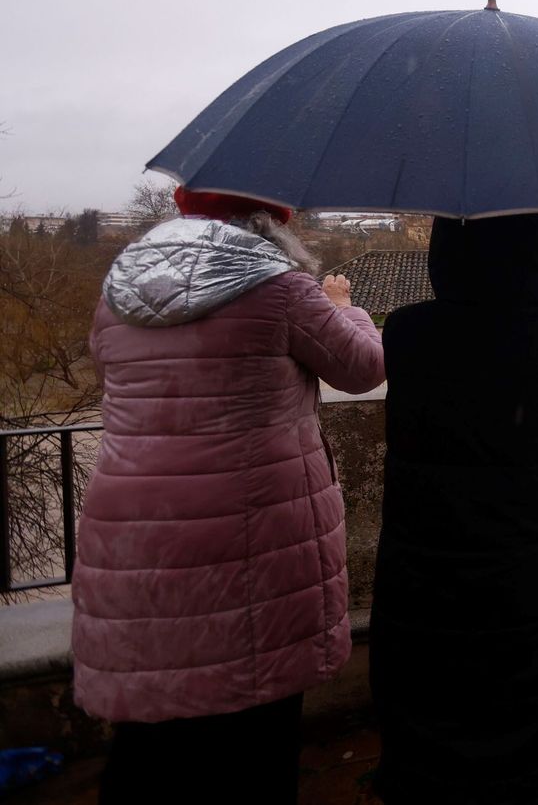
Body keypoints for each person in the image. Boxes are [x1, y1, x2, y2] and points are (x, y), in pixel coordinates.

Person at [72, 187, 386, 805]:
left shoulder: (121, 290)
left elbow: (114, 372)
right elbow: (363, 368)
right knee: (254, 727)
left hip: (132, 531)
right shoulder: (280, 288)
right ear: (272, 221)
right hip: (249, 529)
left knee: (150, 726)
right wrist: (344, 306)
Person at [371, 213, 538, 805]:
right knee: (531, 673)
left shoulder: (406, 331)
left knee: (438, 670)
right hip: (531, 548)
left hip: (429, 544)